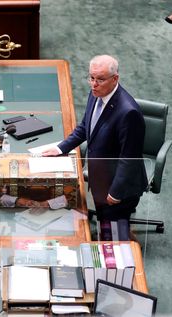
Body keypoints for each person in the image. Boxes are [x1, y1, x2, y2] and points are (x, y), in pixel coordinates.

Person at [42, 55, 147, 240]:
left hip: (118, 187)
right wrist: (61, 148)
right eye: (91, 78)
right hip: (101, 178)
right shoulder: (96, 93)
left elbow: (129, 158)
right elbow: (86, 126)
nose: (94, 84)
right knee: (106, 224)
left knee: (115, 236)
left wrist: (115, 193)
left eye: (100, 79)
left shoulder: (128, 112)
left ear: (115, 79)